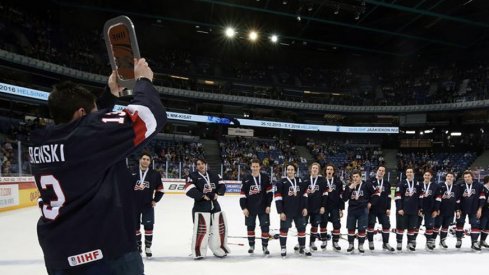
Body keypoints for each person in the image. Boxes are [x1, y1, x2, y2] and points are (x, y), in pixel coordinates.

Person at [30, 58, 166, 274]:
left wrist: (109, 95)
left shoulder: (39, 141)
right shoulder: (87, 138)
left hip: (59, 255)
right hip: (103, 254)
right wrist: (144, 81)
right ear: (82, 114)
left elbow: (85, 130)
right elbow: (150, 117)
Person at [184, 158, 229, 260]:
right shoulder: (192, 176)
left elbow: (222, 186)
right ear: (196, 166)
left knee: (216, 229)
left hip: (215, 206)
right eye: (198, 164)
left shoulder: (214, 175)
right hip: (201, 206)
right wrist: (202, 196)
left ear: (206, 164)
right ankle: (199, 251)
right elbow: (188, 189)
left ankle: (217, 249)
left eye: (202, 163)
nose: (201, 165)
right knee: (201, 230)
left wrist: (218, 193)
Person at [132, 152, 165, 258]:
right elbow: (124, 187)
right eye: (143, 159)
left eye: (147, 159)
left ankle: (148, 247)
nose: (145, 161)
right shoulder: (131, 171)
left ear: (150, 162)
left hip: (147, 205)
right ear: (140, 160)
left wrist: (155, 200)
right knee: (134, 227)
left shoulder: (155, 174)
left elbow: (160, 189)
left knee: (149, 226)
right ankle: (138, 246)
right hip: (133, 204)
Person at [239, 159, 273, 255]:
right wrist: (244, 208)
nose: (255, 168)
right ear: (251, 167)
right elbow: (242, 195)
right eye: (253, 166)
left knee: (265, 227)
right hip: (250, 208)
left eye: (256, 166)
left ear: (259, 167)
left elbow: (270, 193)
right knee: (250, 227)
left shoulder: (265, 177)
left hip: (263, 208)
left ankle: (265, 246)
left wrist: (268, 205)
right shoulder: (246, 178)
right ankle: (251, 245)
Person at [275, 164, 309, 257]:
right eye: (288, 169)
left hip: (299, 210)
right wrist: (280, 211)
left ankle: (302, 247)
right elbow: (278, 198)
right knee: (284, 230)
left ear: (295, 171)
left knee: (302, 229)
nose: (289, 171)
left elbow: (304, 195)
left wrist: (305, 207)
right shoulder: (281, 182)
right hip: (286, 211)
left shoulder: (300, 181)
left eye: (291, 169)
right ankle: (283, 247)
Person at [343, 170, 379, 253]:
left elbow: (376, 194)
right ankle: (351, 244)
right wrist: (350, 188)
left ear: (360, 177)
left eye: (357, 177)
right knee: (350, 228)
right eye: (354, 177)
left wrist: (371, 203)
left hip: (363, 210)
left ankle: (361, 245)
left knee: (361, 229)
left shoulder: (367, 184)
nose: (355, 178)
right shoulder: (349, 185)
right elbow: (344, 199)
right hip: (352, 210)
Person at [366, 165, 395, 252]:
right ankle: (370, 242)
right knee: (371, 224)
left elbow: (389, 197)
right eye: (380, 170)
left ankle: (385, 243)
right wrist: (368, 203)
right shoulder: (370, 181)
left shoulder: (387, 183)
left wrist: (389, 208)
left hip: (383, 208)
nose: (381, 172)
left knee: (386, 225)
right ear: (377, 171)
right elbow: (367, 194)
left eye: (383, 171)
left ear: (384, 173)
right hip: (372, 208)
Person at [455, 170, 485, 250]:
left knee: (475, 225)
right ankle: (459, 240)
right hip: (462, 209)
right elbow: (457, 198)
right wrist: (457, 209)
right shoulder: (460, 185)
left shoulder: (479, 185)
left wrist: (480, 208)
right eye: (465, 177)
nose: (467, 178)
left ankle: (474, 242)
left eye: (468, 177)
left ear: (472, 177)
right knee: (459, 223)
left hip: (474, 209)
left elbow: (482, 198)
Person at [395, 167, 422, 251]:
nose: (409, 173)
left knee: (411, 227)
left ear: (413, 173)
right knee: (400, 227)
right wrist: (399, 208)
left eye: (411, 172)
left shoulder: (418, 184)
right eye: (408, 172)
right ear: (406, 174)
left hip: (414, 210)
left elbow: (420, 197)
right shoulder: (401, 183)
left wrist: (420, 208)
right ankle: (399, 242)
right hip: (403, 210)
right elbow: (398, 197)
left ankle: (409, 243)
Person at [303, 162, 327, 252]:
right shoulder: (305, 179)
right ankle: (301, 243)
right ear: (310, 169)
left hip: (317, 207)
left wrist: (323, 206)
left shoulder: (322, 180)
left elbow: (325, 194)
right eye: (313, 168)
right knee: (302, 225)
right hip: (306, 207)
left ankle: (312, 242)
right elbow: (301, 193)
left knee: (315, 225)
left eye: (316, 168)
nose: (315, 169)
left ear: (318, 170)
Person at [320, 163, 344, 251]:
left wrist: (341, 209)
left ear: (333, 171)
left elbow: (341, 196)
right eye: (328, 169)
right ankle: (324, 240)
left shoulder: (338, 182)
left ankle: (335, 242)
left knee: (337, 224)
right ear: (325, 171)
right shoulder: (322, 181)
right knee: (323, 223)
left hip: (335, 206)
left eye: (331, 169)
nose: (329, 171)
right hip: (324, 206)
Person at [434, 172, 460, 248]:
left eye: (451, 176)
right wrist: (436, 208)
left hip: (450, 210)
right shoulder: (440, 185)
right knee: (437, 226)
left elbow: (457, 200)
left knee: (445, 227)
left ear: (453, 178)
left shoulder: (455, 187)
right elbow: (436, 198)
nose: (449, 178)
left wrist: (457, 210)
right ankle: (432, 240)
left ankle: (442, 241)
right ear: (446, 177)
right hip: (440, 210)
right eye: (448, 176)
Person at [418, 170, 440, 251]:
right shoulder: (419, 185)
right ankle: (412, 241)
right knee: (416, 225)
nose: (427, 176)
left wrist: (436, 209)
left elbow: (438, 199)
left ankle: (429, 242)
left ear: (431, 176)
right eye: (425, 175)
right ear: (423, 176)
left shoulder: (435, 186)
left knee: (430, 226)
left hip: (430, 209)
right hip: (419, 208)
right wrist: (417, 208)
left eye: (428, 175)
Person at [479, 175, 489, 248]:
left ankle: (483, 240)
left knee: (487, 226)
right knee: (481, 226)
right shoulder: (482, 188)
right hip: (484, 209)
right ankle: (475, 241)